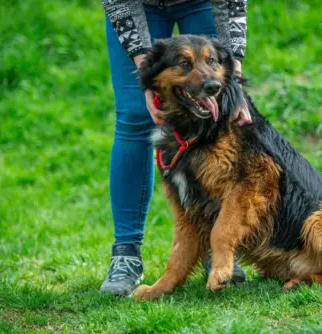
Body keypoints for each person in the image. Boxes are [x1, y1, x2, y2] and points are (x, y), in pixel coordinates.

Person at [100, 0, 250, 296]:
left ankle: (213, 247)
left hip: (203, 3)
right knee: (134, 117)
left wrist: (235, 78)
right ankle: (126, 253)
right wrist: (149, 82)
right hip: (136, 6)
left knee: (218, 111)